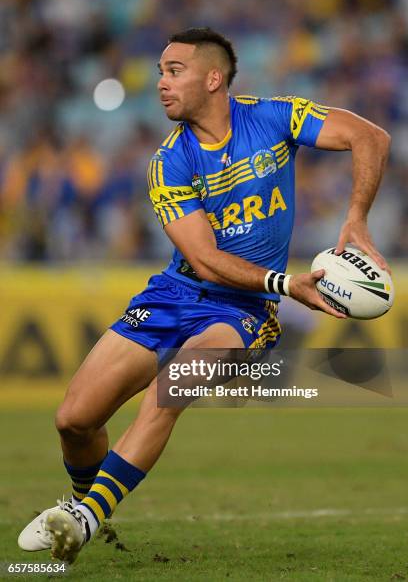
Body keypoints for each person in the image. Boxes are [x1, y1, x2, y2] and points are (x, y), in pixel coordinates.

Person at [17, 27, 390, 563]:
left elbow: (370, 137)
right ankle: (84, 508)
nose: (161, 84)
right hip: (176, 292)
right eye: (160, 73)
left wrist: (355, 218)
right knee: (73, 421)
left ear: (213, 78)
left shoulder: (274, 116)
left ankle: (85, 517)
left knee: (175, 384)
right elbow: (204, 259)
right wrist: (288, 284)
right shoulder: (169, 162)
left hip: (242, 309)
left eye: (174, 71)